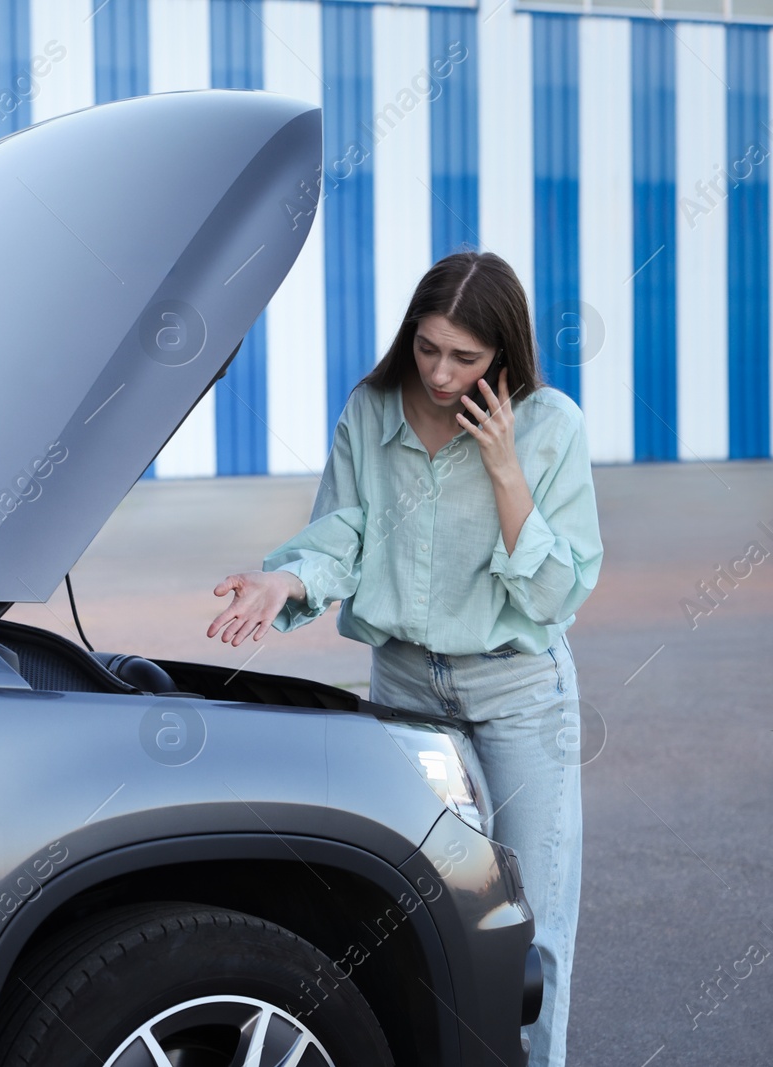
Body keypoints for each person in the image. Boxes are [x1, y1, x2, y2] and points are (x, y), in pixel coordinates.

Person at [204, 250, 602, 1067]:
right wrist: (284, 578)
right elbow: (345, 532)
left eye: (466, 357)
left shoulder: (551, 425)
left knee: (534, 927)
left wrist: (503, 470)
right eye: (428, 349)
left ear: (505, 352)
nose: (442, 373)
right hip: (406, 688)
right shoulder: (372, 408)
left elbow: (557, 593)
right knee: (412, 913)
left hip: (517, 692)